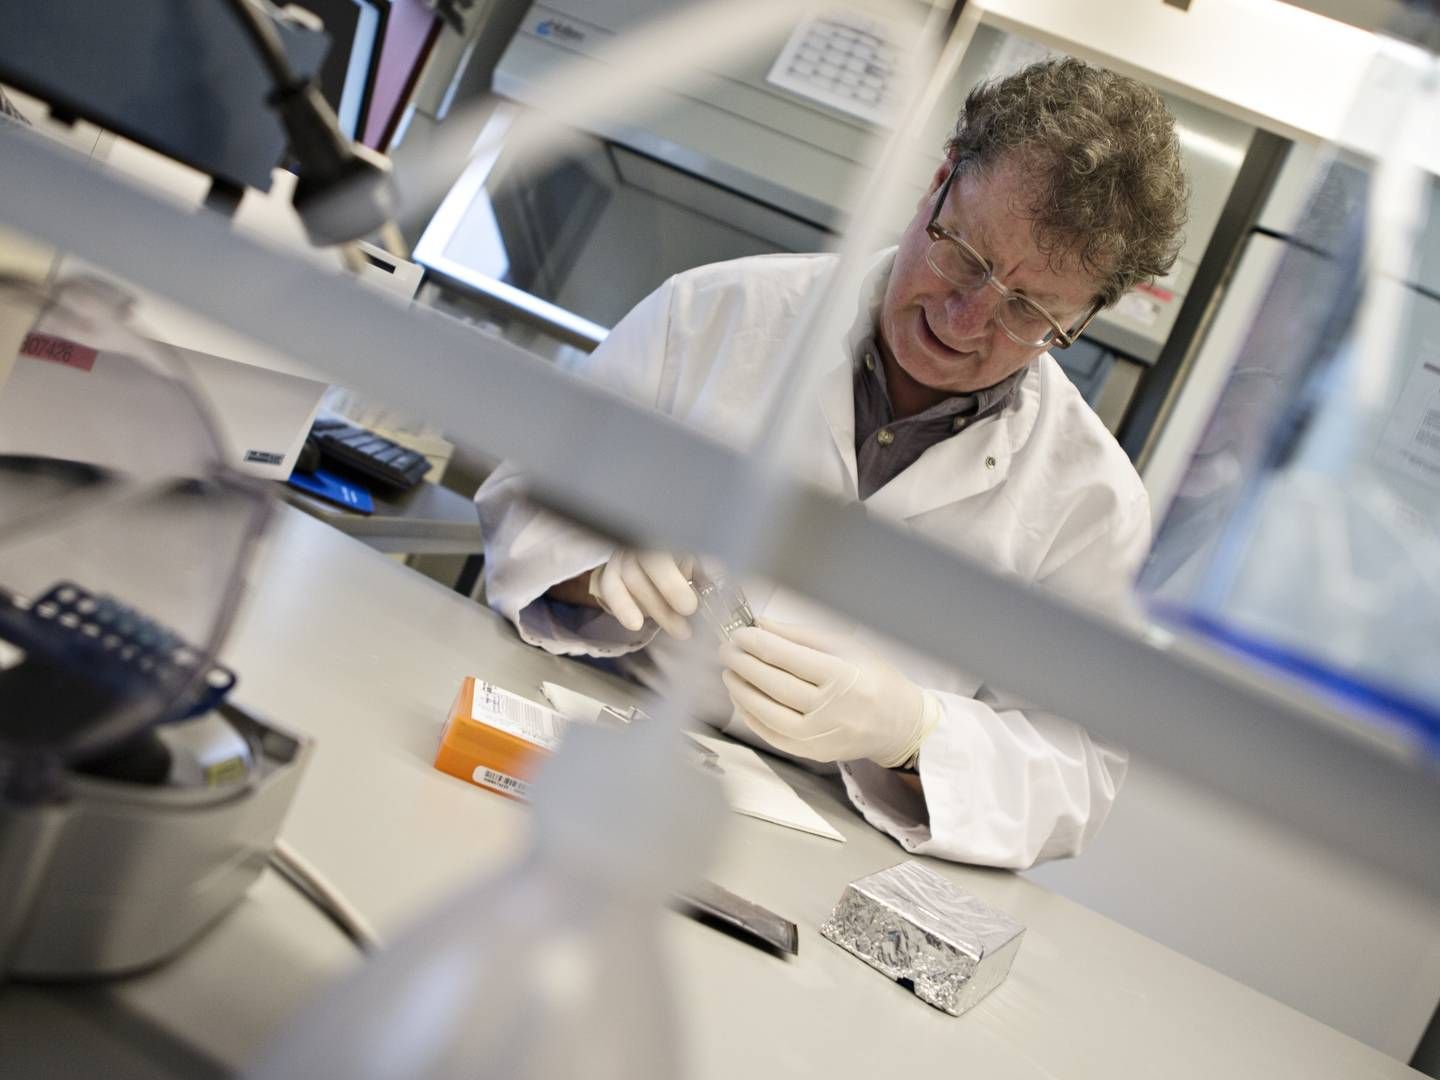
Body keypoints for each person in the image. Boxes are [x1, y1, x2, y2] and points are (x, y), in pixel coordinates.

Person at [476, 58, 1189, 869]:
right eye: (965, 255)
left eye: (1028, 311)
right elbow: (520, 501)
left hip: (832, 850)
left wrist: (914, 732)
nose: (965, 318)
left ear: (1086, 319)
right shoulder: (713, 313)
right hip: (592, 746)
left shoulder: (1093, 505)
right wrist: (596, 567)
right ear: (936, 185)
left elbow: (1076, 775)